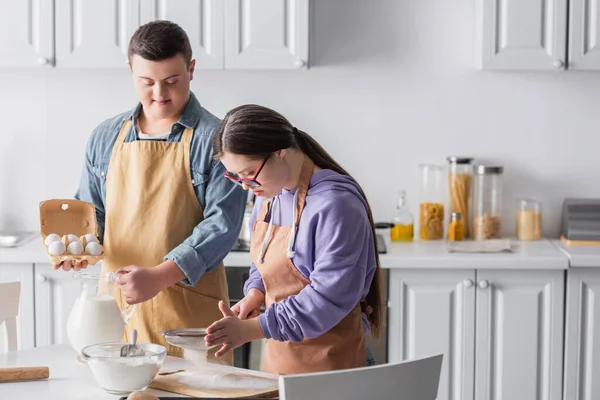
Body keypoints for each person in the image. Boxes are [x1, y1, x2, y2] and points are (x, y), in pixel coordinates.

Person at [70, 20, 247, 360]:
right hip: (115, 313)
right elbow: (92, 215)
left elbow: (221, 228)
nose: (159, 94)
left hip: (189, 319)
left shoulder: (217, 139)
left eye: (171, 81)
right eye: (146, 82)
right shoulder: (104, 137)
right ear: (130, 71)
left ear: (191, 70)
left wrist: (157, 277)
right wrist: (80, 249)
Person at [204, 104, 383, 374]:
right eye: (235, 176)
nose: (244, 185)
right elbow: (262, 264)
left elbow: (326, 298)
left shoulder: (336, 205)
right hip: (281, 365)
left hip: (333, 370)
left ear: (279, 152)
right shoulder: (269, 196)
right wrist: (256, 294)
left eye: (249, 172)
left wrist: (254, 329)